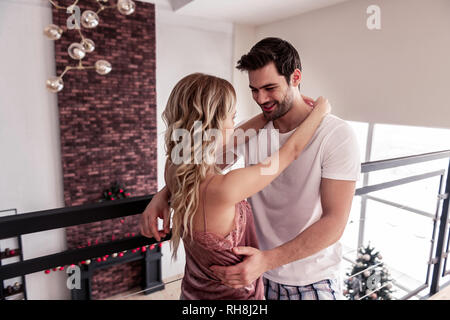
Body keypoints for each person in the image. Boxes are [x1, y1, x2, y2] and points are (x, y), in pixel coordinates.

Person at [141, 37, 360, 300]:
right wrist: (164, 193)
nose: (261, 99)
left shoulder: (336, 134)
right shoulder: (249, 132)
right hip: (249, 274)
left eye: (269, 88)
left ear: (296, 77)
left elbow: (335, 223)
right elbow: (202, 171)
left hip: (306, 280)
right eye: (254, 90)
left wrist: (267, 260)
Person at [153, 72, 330, 300]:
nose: (234, 124)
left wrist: (271, 111)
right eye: (232, 117)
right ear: (214, 125)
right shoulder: (225, 188)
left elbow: (234, 138)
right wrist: (320, 111)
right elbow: (290, 152)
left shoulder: (174, 167)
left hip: (193, 294)